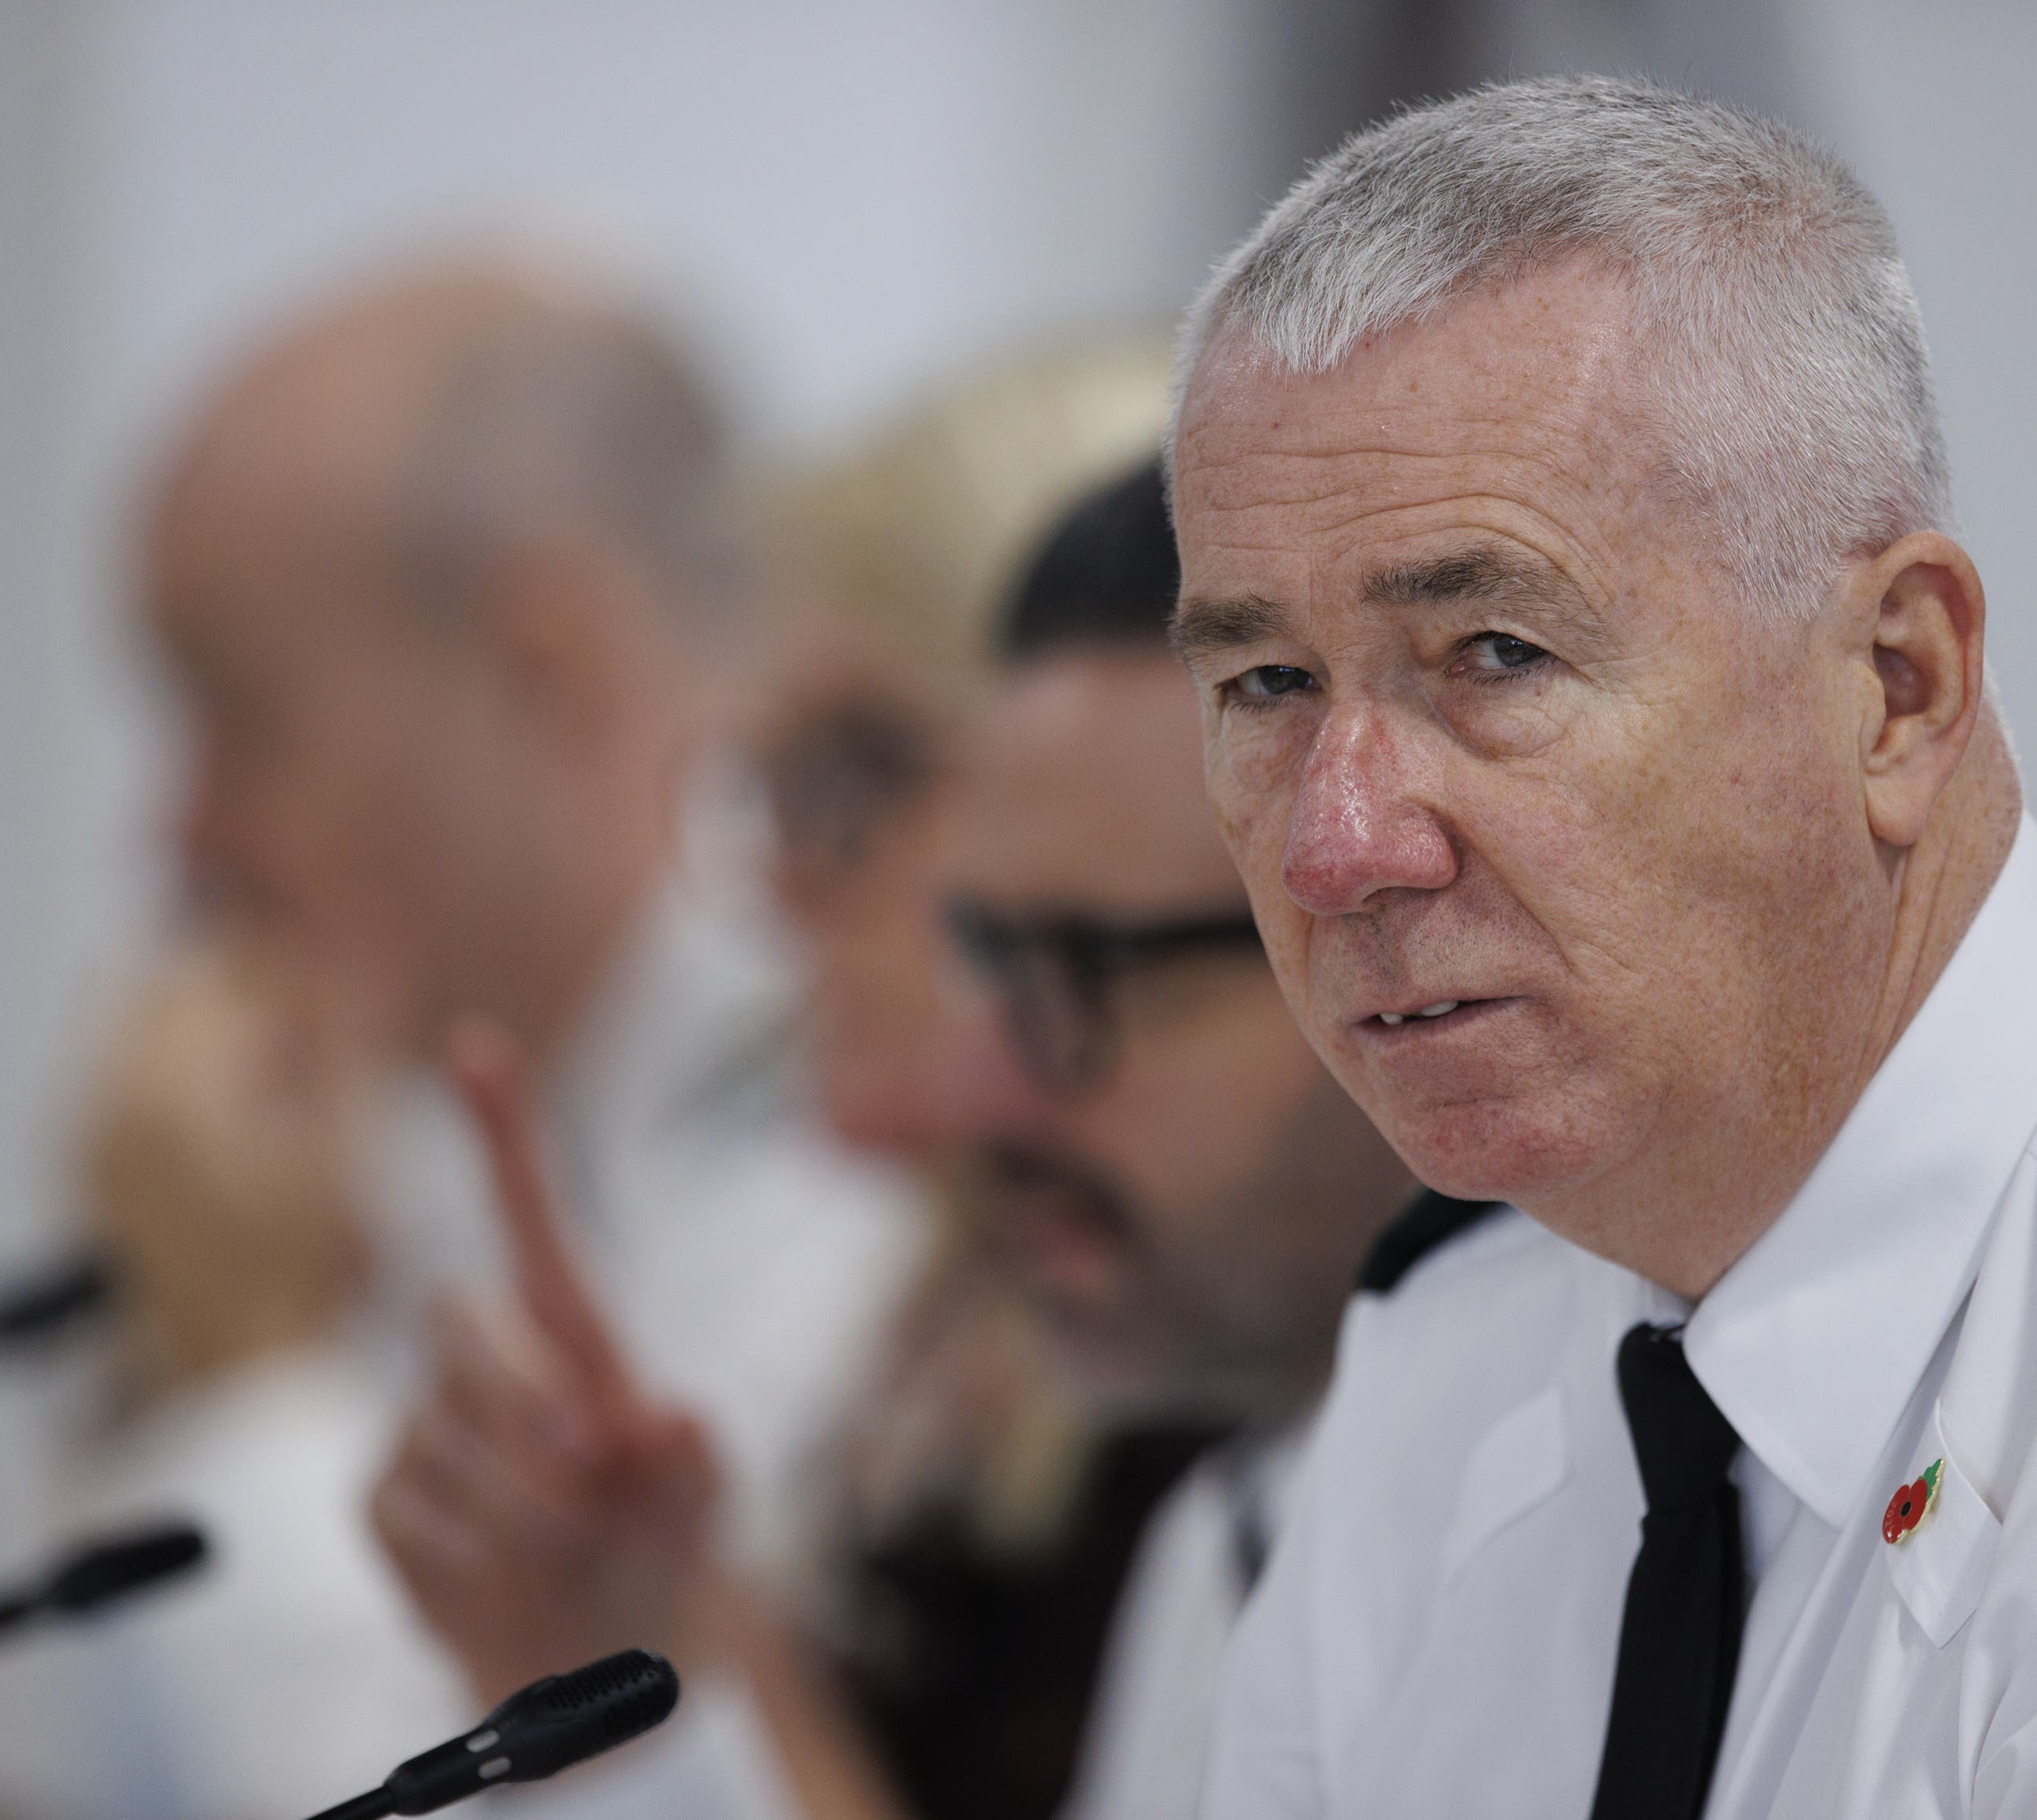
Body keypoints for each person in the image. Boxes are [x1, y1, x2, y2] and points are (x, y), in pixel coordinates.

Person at [1165, 77, 2037, 1820]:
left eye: (1496, 652)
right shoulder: (1458, 1334)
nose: (1340, 845)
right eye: (1265, 685)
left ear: (1900, 684)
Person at [366, 457, 1419, 1820]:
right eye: (995, 953)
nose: (775, 869)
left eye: (1084, 963)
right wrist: (649, 1662)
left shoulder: (1532, 1481)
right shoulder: (1214, 1489)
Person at [130, 253, 923, 1817]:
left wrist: (250, 1367)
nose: (186, 833)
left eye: (240, 712)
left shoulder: (867, 1160)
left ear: (542, 666)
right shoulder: (429, 1130)